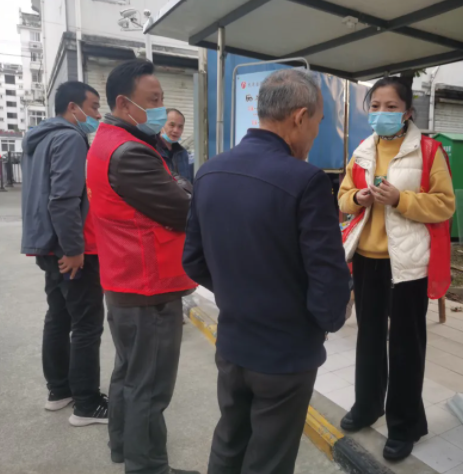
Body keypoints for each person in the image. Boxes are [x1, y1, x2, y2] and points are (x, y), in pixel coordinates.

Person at [183, 69, 351, 474]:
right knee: (270, 458)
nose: (315, 133)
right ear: (299, 117)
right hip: (285, 351)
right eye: (317, 122)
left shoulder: (210, 170)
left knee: (229, 442)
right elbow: (327, 276)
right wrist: (326, 320)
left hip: (233, 341)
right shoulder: (306, 180)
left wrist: (237, 296)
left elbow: (193, 260)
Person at [86, 59, 198, 474]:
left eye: (162, 99)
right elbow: (184, 208)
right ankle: (148, 467)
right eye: (153, 101)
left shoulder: (111, 140)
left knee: (129, 376)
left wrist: (178, 186)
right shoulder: (130, 152)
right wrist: (182, 188)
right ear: (123, 103)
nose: (160, 109)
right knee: (148, 387)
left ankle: (124, 448)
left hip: (126, 281)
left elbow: (175, 190)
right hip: (147, 284)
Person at [338, 77, 456, 461]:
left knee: (406, 346)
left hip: (408, 264)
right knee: (369, 338)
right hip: (367, 259)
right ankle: (367, 406)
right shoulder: (362, 150)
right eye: (375, 106)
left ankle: (405, 426)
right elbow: (343, 196)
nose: (381, 113)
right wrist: (358, 197)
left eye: (391, 107)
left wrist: (400, 199)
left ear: (407, 112)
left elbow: (444, 204)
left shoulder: (429, 150)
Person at [20, 80, 108, 427]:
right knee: (86, 324)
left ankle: (59, 391)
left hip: (45, 243)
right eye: (93, 107)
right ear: (73, 108)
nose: (97, 115)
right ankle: (87, 404)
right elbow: (63, 198)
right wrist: (73, 249)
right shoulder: (70, 138)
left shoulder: (38, 139)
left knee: (58, 317)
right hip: (70, 248)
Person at [156, 108, 193, 182]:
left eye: (180, 127)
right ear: (161, 125)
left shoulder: (183, 153)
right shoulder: (151, 151)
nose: (176, 130)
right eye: (172, 125)